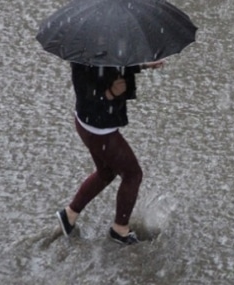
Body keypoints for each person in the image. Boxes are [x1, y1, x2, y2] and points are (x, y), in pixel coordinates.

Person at [56, 60, 165, 245]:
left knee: (106, 172)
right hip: (99, 130)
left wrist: (143, 65)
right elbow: (86, 94)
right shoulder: (85, 59)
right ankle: (120, 229)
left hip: (88, 124)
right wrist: (110, 93)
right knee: (133, 174)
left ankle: (70, 214)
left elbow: (114, 65)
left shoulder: (102, 50)